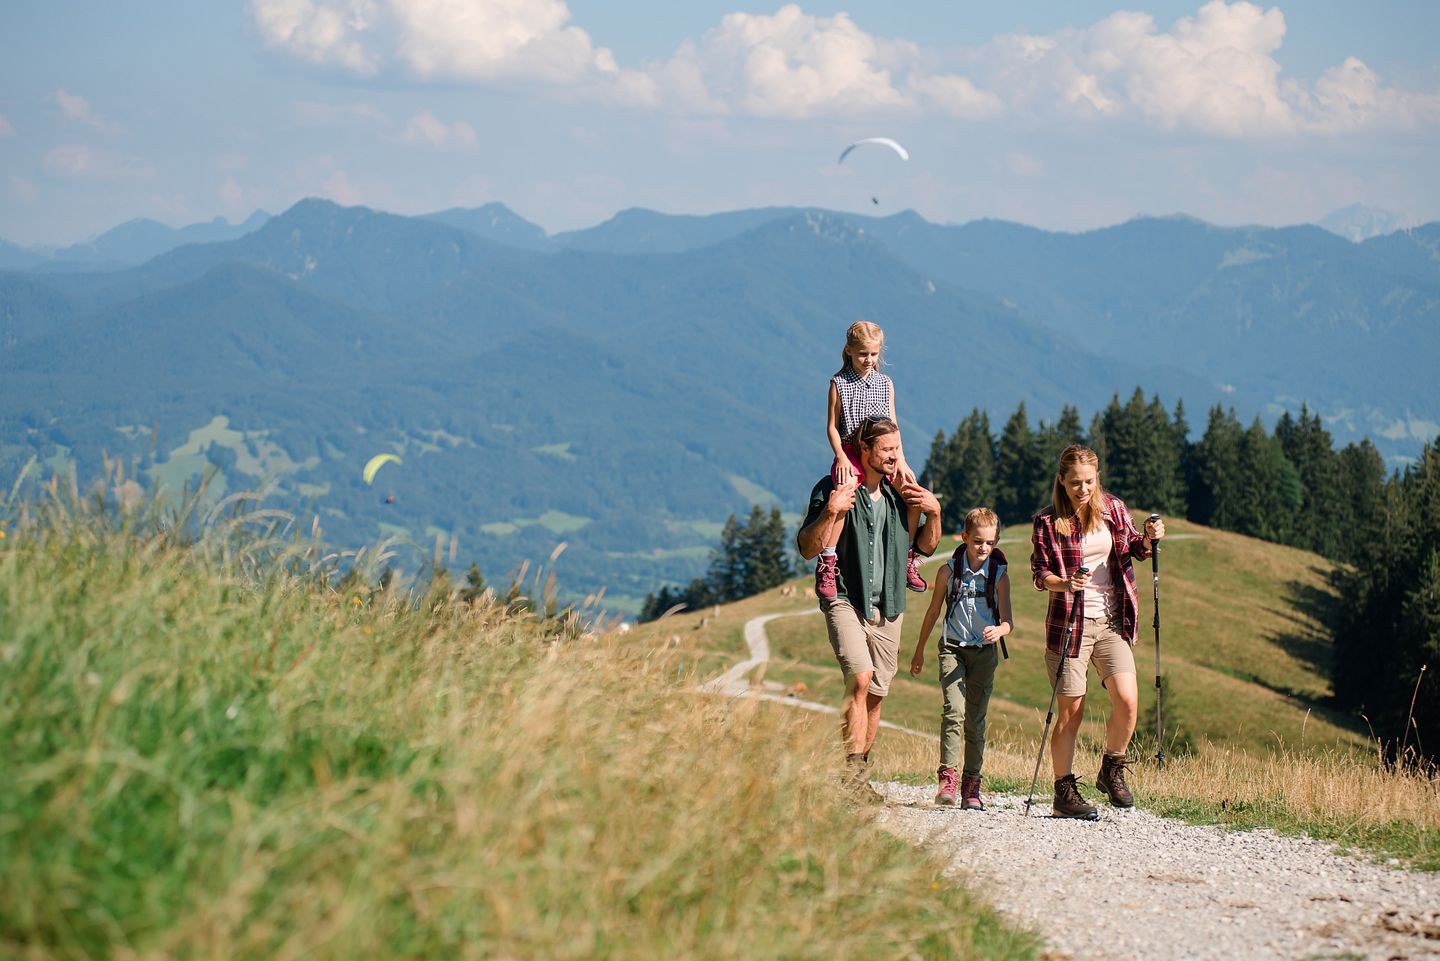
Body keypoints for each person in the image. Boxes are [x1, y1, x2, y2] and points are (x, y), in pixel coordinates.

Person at [797, 416, 942, 799]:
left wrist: (935, 511)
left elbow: (925, 547)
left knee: (876, 694)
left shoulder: (900, 494)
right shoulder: (834, 487)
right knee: (860, 679)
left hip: (890, 604)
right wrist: (830, 511)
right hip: (844, 598)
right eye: (887, 450)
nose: (895, 456)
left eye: (897, 448)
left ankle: (858, 776)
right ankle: (853, 778)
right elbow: (807, 548)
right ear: (864, 450)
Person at [1030, 444, 1165, 819]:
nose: (1082, 489)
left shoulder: (1114, 509)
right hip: (1069, 624)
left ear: (1097, 478)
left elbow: (1134, 548)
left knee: (1127, 700)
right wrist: (1066, 583)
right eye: (1075, 482)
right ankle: (1064, 792)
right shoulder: (1046, 521)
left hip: (1110, 621)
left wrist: (1150, 539)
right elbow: (1040, 574)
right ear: (1062, 480)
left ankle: (1112, 768)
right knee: (1071, 713)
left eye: (1089, 481)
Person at [909, 507, 1012, 810]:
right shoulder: (948, 571)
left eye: (990, 543)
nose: (984, 548)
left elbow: (1009, 620)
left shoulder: (999, 576)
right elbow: (932, 612)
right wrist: (919, 651)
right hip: (952, 649)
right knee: (953, 711)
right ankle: (947, 778)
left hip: (984, 653)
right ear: (965, 537)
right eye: (978, 541)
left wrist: (1000, 630)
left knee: (975, 720)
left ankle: (972, 783)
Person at [815, 321, 926, 601]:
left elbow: (893, 423)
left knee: (913, 493)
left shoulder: (885, 383)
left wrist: (901, 458)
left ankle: (908, 554)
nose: (869, 360)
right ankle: (827, 561)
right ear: (850, 351)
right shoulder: (839, 384)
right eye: (863, 354)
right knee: (844, 495)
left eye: (874, 354)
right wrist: (840, 455)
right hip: (852, 450)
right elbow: (832, 425)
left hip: (885, 450)